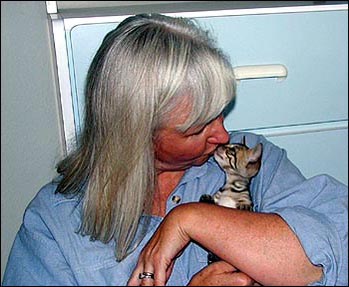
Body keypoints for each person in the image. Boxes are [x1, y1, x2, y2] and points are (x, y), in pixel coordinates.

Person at [2, 13, 347, 286]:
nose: (222, 135)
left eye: (221, 113)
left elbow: (329, 256)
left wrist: (190, 219)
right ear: (137, 134)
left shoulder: (249, 161)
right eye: (198, 128)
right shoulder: (55, 223)